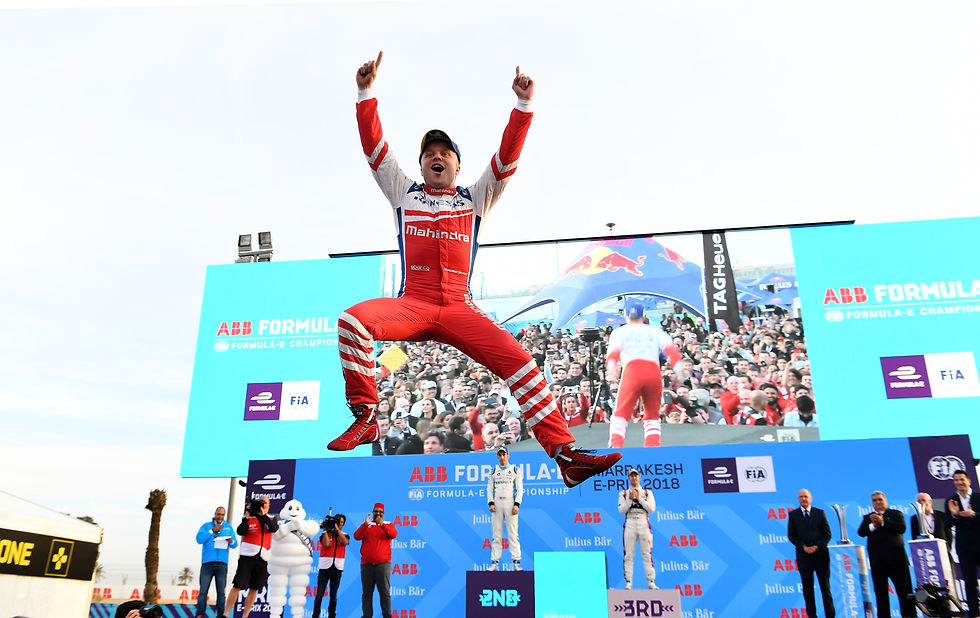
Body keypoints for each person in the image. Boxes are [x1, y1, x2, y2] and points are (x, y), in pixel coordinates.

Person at [327, 51, 621, 488]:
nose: (436, 157)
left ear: (458, 165)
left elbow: (506, 159)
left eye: (445, 152)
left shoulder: (476, 197)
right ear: (422, 163)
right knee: (352, 321)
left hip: (461, 309)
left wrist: (522, 107)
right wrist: (365, 92)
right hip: (415, 304)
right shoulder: (403, 192)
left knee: (523, 365)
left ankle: (566, 454)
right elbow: (375, 149)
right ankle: (367, 416)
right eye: (429, 153)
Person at [606, 304, 681, 448]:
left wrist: (612, 371)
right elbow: (672, 352)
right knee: (652, 413)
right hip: (653, 371)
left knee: (621, 412)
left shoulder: (619, 332)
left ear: (626, 316)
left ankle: (616, 445)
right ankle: (652, 447)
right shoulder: (655, 331)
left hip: (632, 370)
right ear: (644, 316)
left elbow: (612, 356)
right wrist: (679, 370)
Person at [857, 491, 915, 618]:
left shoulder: (895, 513)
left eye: (880, 499)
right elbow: (861, 532)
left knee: (905, 593)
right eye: (874, 500)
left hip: (897, 561)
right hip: (878, 563)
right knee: (881, 595)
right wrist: (873, 525)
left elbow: (901, 528)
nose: (877, 502)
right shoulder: (868, 517)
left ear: (885, 500)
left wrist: (883, 522)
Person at [224, 496, 279, 618]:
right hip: (247, 557)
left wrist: (264, 515)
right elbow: (240, 531)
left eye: (265, 503)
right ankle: (226, 613)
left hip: (262, 558)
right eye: (261, 502)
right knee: (237, 585)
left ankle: (245, 615)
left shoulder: (271, 518)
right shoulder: (249, 518)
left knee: (254, 588)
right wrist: (246, 517)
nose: (263, 505)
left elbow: (274, 528)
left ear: (269, 505)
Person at [787, 489, 835, 618]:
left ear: (810, 498)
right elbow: (791, 536)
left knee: (825, 588)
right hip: (804, 557)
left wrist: (817, 546)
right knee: (807, 590)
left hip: (821, 556)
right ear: (798, 499)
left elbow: (827, 534)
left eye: (806, 496)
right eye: (801, 497)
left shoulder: (820, 513)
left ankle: (830, 615)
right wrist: (803, 546)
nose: (803, 499)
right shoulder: (793, 515)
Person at [353, 503, 398, 618]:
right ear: (372, 512)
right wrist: (364, 525)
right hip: (366, 565)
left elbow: (394, 534)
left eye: (380, 512)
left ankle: (387, 616)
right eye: (376, 511)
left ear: (383, 514)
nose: (378, 513)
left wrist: (382, 525)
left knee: (384, 593)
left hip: (382, 565)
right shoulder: (367, 525)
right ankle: (367, 616)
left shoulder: (388, 524)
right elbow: (356, 536)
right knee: (367, 593)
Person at [946, 469, 980, 617]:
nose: (959, 482)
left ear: (969, 481)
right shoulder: (951, 500)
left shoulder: (979, 497)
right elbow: (947, 523)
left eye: (962, 479)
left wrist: (974, 515)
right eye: (956, 480)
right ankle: (974, 613)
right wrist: (954, 515)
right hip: (964, 548)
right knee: (969, 582)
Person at [194, 506, 238, 618]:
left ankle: (220, 615)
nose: (220, 517)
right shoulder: (206, 526)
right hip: (207, 563)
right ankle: (199, 614)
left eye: (222, 515)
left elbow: (235, 544)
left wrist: (231, 541)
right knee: (203, 591)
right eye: (218, 514)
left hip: (222, 564)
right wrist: (212, 531)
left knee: (221, 593)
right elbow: (199, 539)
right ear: (214, 514)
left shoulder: (228, 527)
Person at [618, 468, 657, 590]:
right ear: (629, 478)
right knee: (628, 555)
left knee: (647, 554)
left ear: (639, 478)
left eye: (636, 476)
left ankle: (651, 581)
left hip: (643, 523)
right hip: (630, 523)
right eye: (631, 476)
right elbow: (621, 510)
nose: (634, 478)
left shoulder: (647, 492)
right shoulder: (623, 493)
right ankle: (628, 582)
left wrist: (639, 498)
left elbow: (651, 509)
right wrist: (630, 499)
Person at [487, 446, 523, 571]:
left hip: (510, 503)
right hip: (497, 504)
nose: (502, 457)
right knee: (496, 535)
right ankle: (494, 563)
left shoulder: (515, 469)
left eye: (504, 454)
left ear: (508, 455)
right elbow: (489, 489)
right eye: (500, 455)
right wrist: (490, 503)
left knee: (513, 534)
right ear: (497, 457)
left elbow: (519, 489)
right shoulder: (493, 471)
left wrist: (517, 504)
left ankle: (516, 563)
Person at [312, 514, 349, 618]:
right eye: (338, 522)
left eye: (342, 523)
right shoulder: (326, 534)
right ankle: (315, 615)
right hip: (324, 569)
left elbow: (345, 542)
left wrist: (338, 531)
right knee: (319, 595)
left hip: (337, 569)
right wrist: (325, 530)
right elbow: (326, 543)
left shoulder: (344, 535)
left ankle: (332, 616)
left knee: (333, 596)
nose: (340, 524)